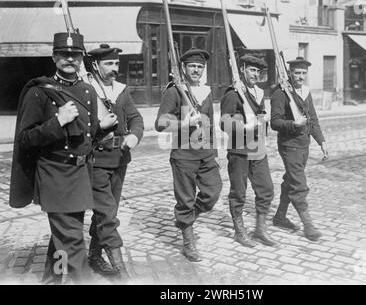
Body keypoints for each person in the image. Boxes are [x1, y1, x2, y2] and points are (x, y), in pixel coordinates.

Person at [9, 32, 115, 284]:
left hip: (80, 174)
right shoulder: (39, 92)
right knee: (73, 241)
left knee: (65, 235)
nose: (70, 59)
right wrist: (57, 122)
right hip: (54, 174)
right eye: (64, 54)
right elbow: (25, 139)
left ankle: (51, 280)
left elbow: (86, 134)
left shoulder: (87, 90)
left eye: (75, 55)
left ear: (81, 59)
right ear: (54, 56)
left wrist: (103, 129)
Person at [155, 48, 222, 262]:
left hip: (206, 154)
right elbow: (160, 123)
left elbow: (210, 124)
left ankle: (186, 219)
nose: (196, 70)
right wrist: (185, 123)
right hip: (183, 155)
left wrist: (215, 152)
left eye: (200, 66)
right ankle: (188, 240)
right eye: (192, 66)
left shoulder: (206, 91)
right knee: (185, 199)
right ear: (183, 68)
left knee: (213, 192)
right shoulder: (175, 91)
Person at [85, 44, 144, 282]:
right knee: (107, 215)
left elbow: (136, 118)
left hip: (120, 159)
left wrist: (134, 135)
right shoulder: (88, 90)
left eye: (116, 64)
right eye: (108, 64)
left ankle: (93, 255)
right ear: (96, 66)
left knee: (107, 211)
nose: (114, 69)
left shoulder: (121, 90)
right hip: (97, 160)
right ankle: (121, 272)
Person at [270, 56, 328, 241]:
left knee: (291, 180)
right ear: (290, 73)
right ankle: (308, 225)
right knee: (299, 184)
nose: (300, 76)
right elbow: (275, 122)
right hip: (289, 145)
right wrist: (293, 123)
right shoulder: (281, 93)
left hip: (304, 145)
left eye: (304, 73)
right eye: (297, 73)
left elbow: (313, 119)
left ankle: (279, 216)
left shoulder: (305, 92)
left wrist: (322, 141)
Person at [220, 54, 276, 248]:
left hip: (258, 149)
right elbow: (224, 122)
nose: (255, 74)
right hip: (240, 151)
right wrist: (243, 125)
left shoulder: (259, 92)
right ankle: (239, 231)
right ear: (242, 69)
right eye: (251, 70)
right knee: (239, 192)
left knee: (266, 189)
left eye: (258, 71)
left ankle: (260, 229)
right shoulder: (233, 93)